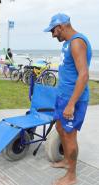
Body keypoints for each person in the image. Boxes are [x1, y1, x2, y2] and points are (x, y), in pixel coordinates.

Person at [44, 13, 92, 185]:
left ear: (61, 26)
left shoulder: (77, 42)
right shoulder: (67, 43)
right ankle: (66, 161)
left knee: (70, 135)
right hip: (62, 96)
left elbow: (84, 75)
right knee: (60, 128)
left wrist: (71, 104)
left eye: (53, 31)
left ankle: (71, 176)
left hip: (74, 99)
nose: (52, 34)